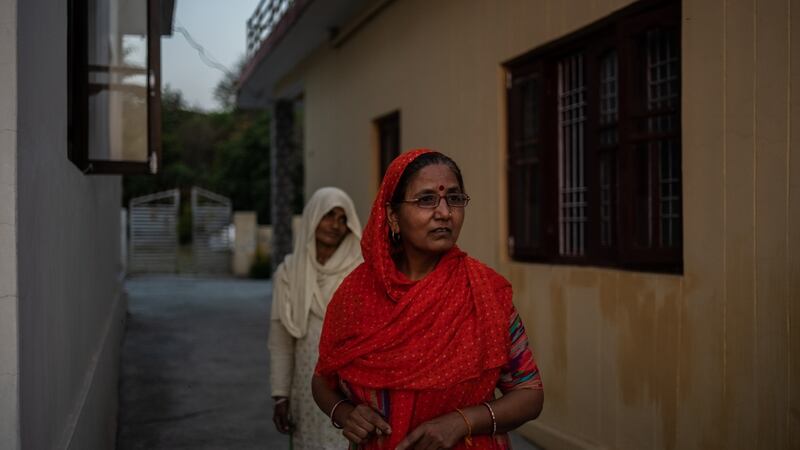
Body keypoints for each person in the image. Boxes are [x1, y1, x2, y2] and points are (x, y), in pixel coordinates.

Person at [312, 149, 544, 450]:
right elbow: (322, 380)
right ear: (393, 216)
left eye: (455, 199)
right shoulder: (357, 294)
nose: (445, 212)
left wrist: (462, 422)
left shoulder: (485, 292)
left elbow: (530, 393)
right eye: (426, 200)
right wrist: (345, 413)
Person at [268, 187, 363, 450]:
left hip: (349, 390)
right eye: (328, 215)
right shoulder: (289, 273)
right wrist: (280, 395)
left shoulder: (360, 271)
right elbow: (281, 342)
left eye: (343, 218)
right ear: (312, 218)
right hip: (305, 387)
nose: (335, 225)